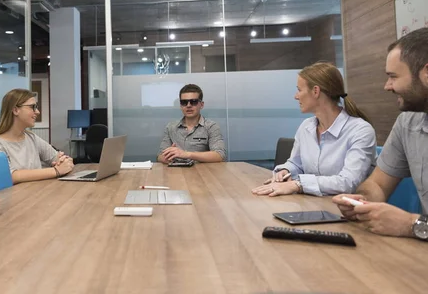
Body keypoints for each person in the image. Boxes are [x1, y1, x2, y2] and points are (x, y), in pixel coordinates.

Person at [333, 28, 428, 240]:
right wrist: (361, 202)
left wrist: (411, 224)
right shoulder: (407, 123)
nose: (387, 86)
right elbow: (377, 183)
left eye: (393, 76)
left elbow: (411, 225)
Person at [252, 62, 376, 197]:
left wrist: (298, 184)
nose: (296, 96)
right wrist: (285, 171)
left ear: (316, 91)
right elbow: (296, 163)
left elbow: (347, 183)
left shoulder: (360, 131)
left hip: (348, 211)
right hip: (314, 204)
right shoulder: (306, 126)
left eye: (299, 90)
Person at [0, 89, 74, 183]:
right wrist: (56, 171)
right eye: (32, 107)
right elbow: (8, 176)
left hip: (37, 192)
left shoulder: (31, 138)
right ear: (15, 110)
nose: (38, 112)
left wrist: (64, 161)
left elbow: (56, 158)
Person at [157, 84, 226, 164]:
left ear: (201, 105)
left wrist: (187, 154)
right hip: (177, 173)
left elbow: (220, 155)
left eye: (193, 102)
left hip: (203, 174)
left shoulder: (211, 126)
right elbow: (160, 156)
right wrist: (168, 157)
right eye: (184, 102)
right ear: (180, 105)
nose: (188, 105)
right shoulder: (171, 127)